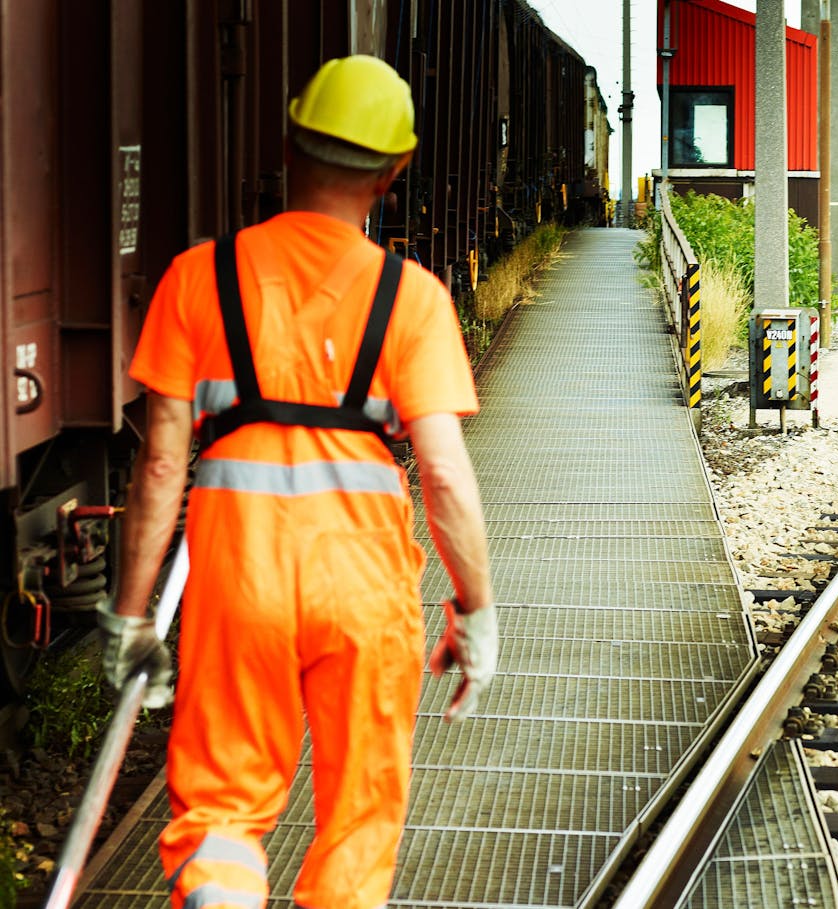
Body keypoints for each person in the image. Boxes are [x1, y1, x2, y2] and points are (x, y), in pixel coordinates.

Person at [96, 54, 498, 909]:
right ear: (396, 171)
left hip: (238, 576)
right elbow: (447, 477)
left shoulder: (198, 277)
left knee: (221, 809)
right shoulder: (414, 299)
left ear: (288, 142)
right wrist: (474, 609)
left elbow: (162, 464)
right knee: (359, 816)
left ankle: (220, 893)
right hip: (365, 585)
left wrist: (130, 618)